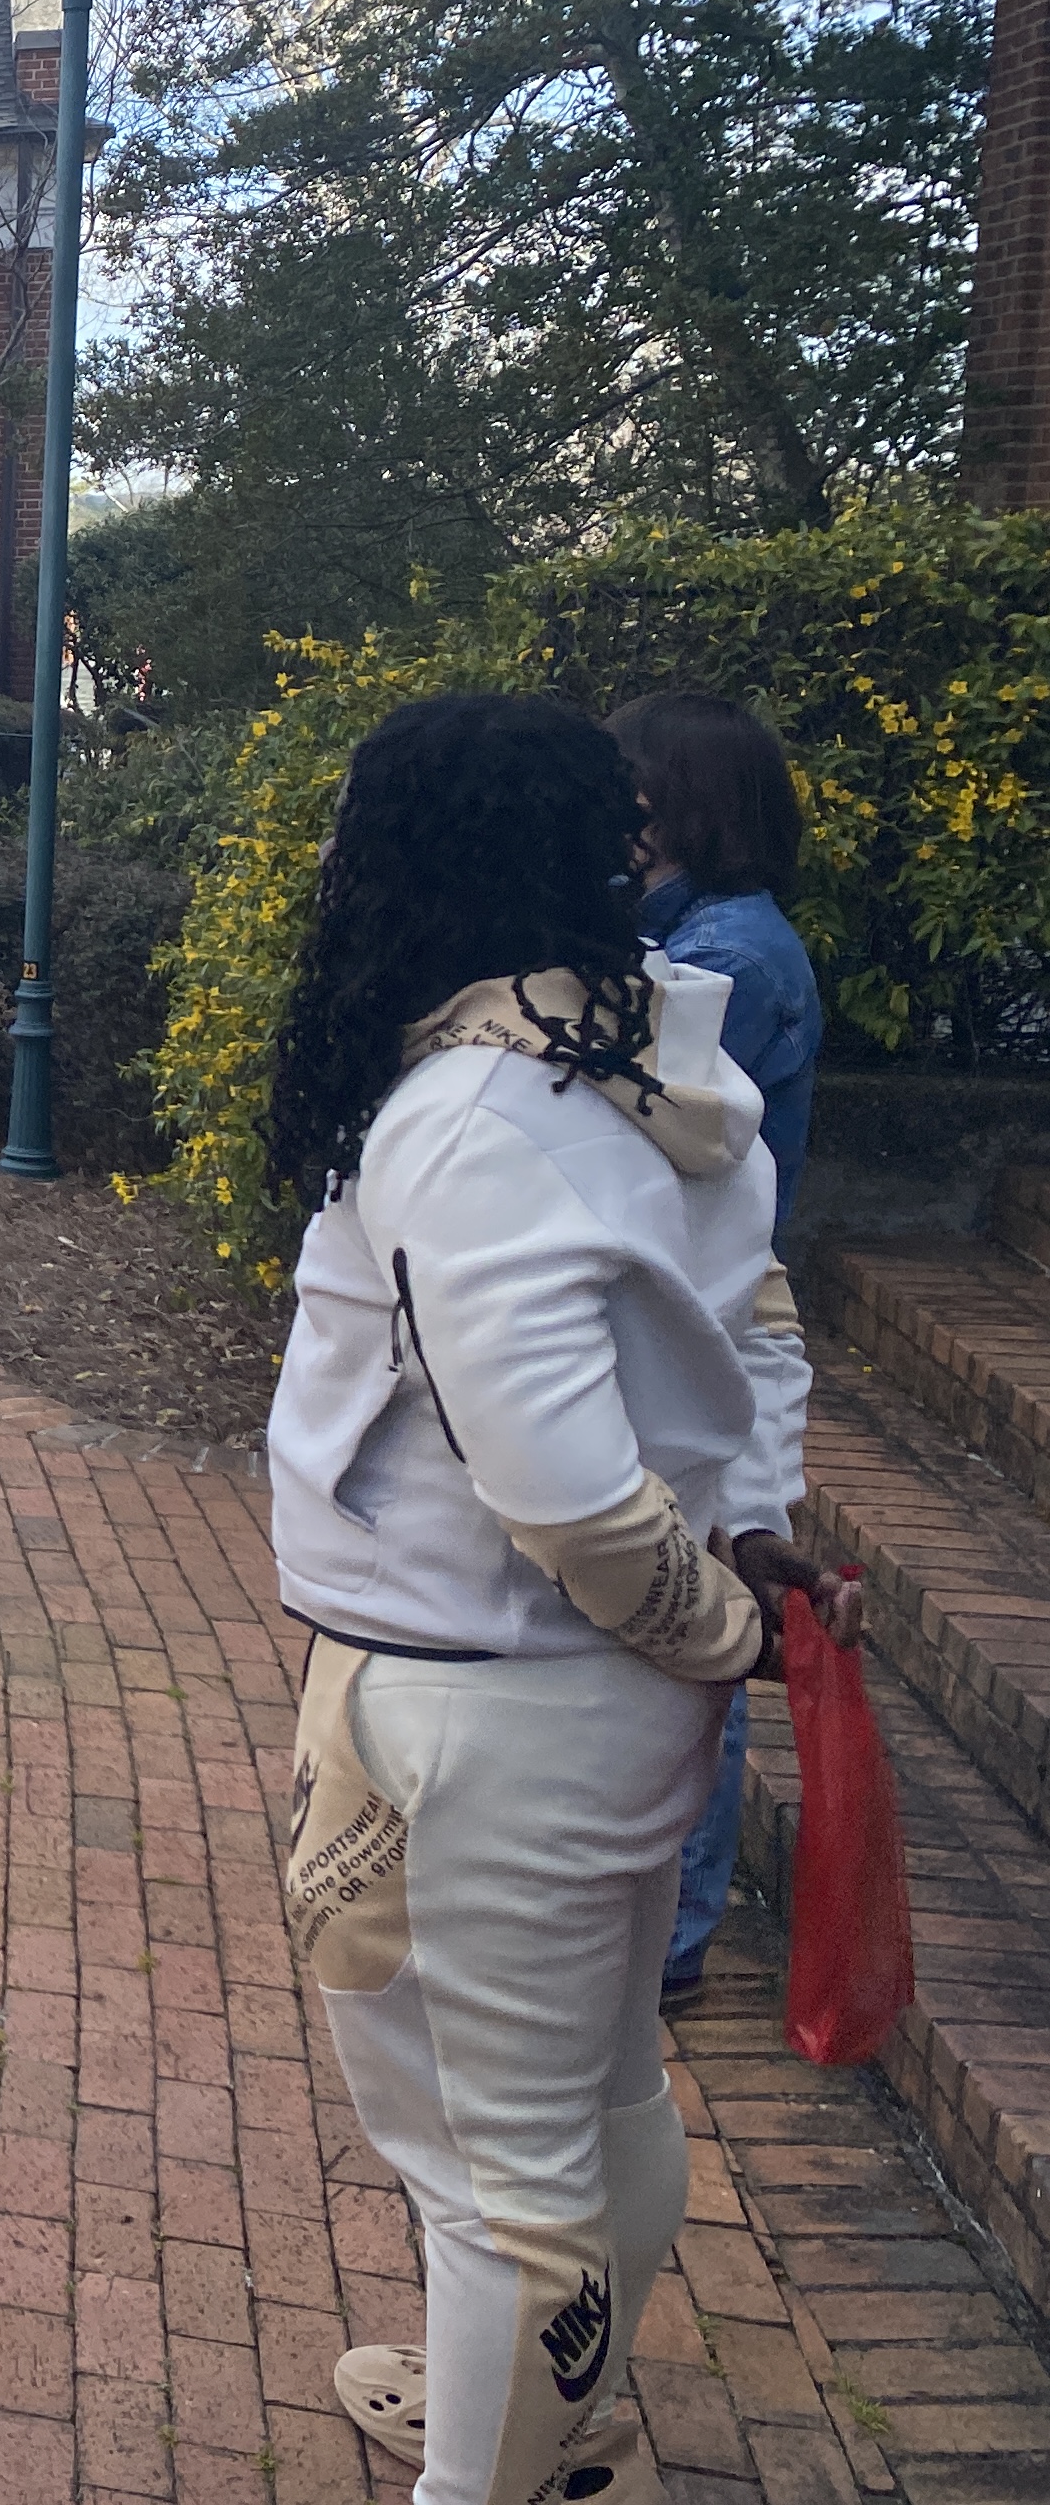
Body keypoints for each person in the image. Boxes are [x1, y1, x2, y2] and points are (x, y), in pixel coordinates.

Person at [261, 697, 860, 2505]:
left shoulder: (467, 1112)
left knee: (491, 2178)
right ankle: (550, 2408)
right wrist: (746, 1541)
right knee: (599, 2102)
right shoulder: (658, 1065)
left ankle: (493, 2459)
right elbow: (753, 1318)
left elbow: (558, 1485)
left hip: (477, 1707)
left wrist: (710, 1616)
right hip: (580, 1711)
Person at [606, 689, 825, 2017]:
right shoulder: (696, 931)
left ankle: (679, 1930)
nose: (620, 816)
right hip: (697, 1304)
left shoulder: (736, 953)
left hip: (729, 1313)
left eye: (634, 787)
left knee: (704, 1606)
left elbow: (643, 1118)